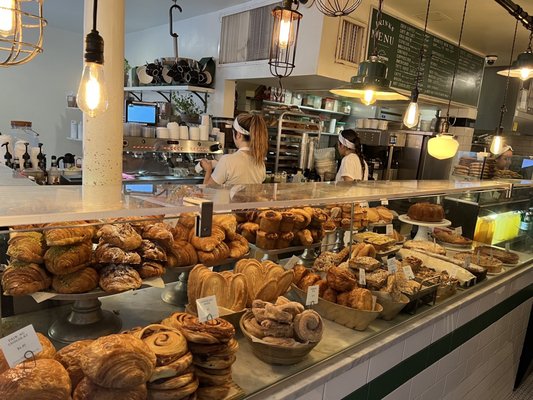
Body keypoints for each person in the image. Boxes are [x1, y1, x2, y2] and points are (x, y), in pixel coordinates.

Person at [200, 113, 268, 185]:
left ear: (238, 135)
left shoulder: (227, 161)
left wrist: (208, 169)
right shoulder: (261, 164)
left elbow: (207, 190)